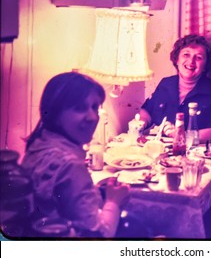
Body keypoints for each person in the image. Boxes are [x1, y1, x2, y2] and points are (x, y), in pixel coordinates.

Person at [21, 72, 130, 238]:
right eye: (79, 108)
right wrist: (113, 201)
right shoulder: (70, 164)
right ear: (55, 114)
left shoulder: (39, 144)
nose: (93, 117)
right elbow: (97, 236)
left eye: (95, 107)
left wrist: (96, 192)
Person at [139, 34, 211, 143]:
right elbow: (147, 111)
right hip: (160, 149)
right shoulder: (165, 84)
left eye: (199, 57)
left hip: (194, 153)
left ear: (205, 66)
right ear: (177, 59)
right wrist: (141, 123)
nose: (191, 61)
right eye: (186, 55)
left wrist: (183, 136)